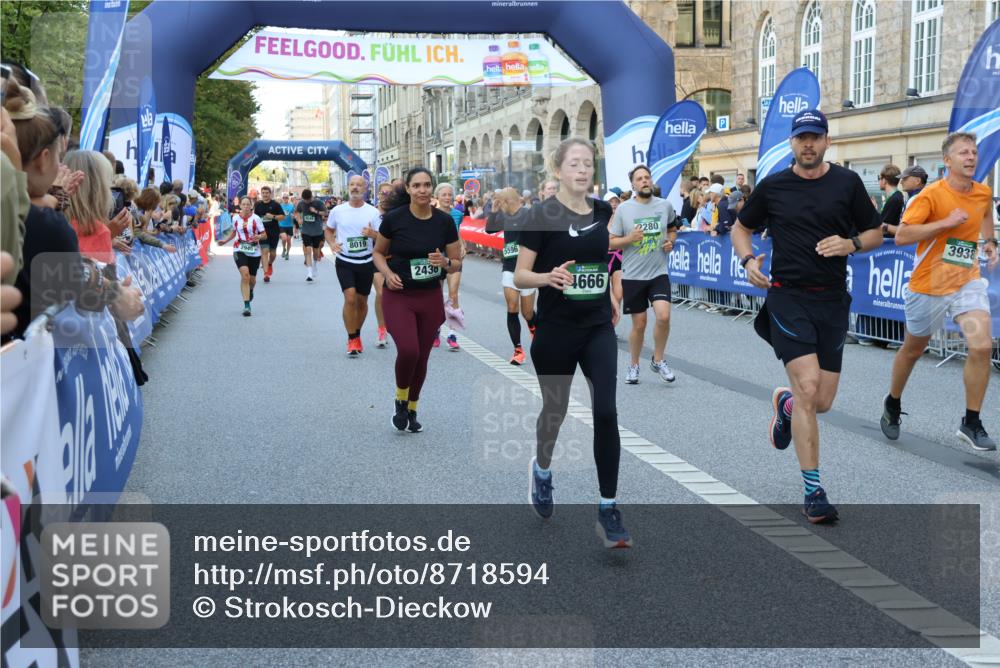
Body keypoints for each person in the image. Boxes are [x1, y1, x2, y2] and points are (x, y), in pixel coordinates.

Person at [732, 109, 882, 524]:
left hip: (831, 301)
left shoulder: (848, 183)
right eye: (802, 138)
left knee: (821, 402)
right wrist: (747, 260)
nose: (809, 144)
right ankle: (814, 491)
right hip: (788, 297)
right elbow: (741, 228)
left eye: (816, 137)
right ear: (792, 143)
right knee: (809, 385)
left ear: (827, 141)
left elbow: (875, 232)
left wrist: (850, 244)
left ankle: (787, 407)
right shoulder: (774, 186)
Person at [513, 137, 629, 549]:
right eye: (574, 163)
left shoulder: (602, 211)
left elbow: (604, 256)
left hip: (597, 326)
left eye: (587, 164)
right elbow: (520, 275)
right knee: (556, 410)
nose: (582, 170)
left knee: (606, 411)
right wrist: (548, 278)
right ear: (558, 170)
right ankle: (542, 470)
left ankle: (608, 508)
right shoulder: (540, 215)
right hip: (557, 329)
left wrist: (611, 290)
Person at [881, 132, 998, 451]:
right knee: (913, 350)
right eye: (963, 152)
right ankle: (893, 402)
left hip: (966, 280)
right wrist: (945, 223)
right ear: (947, 160)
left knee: (981, 346)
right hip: (929, 285)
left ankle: (971, 421)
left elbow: (985, 213)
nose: (971, 157)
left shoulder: (983, 192)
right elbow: (903, 237)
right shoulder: (930, 196)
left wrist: (990, 242)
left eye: (974, 152)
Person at [373, 168, 462, 433]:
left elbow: (456, 262)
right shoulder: (394, 219)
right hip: (399, 294)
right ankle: (400, 399)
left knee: (422, 357)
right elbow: (378, 253)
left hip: (429, 296)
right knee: (409, 350)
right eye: (417, 185)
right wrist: (387, 274)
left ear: (432, 188)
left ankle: (412, 408)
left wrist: (445, 262)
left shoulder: (444, 222)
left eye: (426, 185)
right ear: (409, 189)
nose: (422, 190)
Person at [609, 164, 680, 384]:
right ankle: (634, 365)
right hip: (633, 275)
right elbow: (611, 243)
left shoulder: (664, 205)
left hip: (658, 272)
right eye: (639, 179)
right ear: (633, 185)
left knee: (663, 316)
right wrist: (629, 239)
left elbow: (672, 230)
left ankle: (658, 360)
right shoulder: (624, 209)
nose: (644, 181)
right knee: (639, 324)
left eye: (647, 177)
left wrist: (670, 242)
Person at [326, 176, 381, 355]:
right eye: (352, 184)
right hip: (345, 260)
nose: (355, 187)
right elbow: (328, 230)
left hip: (366, 261)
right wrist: (332, 243)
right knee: (350, 298)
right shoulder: (338, 210)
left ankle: (357, 332)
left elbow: (383, 237)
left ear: (365, 188)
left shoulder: (373, 212)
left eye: (359, 185)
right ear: (348, 187)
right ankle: (352, 338)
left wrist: (372, 234)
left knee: (362, 301)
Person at [485, 187, 536, 364]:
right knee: (512, 307)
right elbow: (489, 230)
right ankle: (518, 350)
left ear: (507, 201)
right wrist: (493, 211)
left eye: (499, 202)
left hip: (528, 268)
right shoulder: (503, 216)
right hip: (509, 266)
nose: (498, 205)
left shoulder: (529, 214)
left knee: (527, 313)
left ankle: (534, 328)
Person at [216, 196, 265, 316]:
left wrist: (259, 236)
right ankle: (247, 305)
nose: (246, 206)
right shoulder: (235, 218)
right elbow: (234, 232)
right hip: (239, 248)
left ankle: (250, 290)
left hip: (254, 251)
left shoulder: (256, 218)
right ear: (240, 206)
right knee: (245, 275)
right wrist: (225, 241)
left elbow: (264, 234)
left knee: (252, 280)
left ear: (251, 206)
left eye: (248, 204)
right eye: (244, 204)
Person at [434, 182, 466, 351]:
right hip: (437, 257)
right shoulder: (431, 214)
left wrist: (462, 245)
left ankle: (453, 335)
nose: (447, 198)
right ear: (437, 197)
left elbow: (457, 232)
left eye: (449, 195)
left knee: (453, 295)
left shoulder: (457, 214)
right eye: (444, 195)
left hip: (453, 257)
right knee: (437, 296)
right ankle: (436, 329)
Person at [373, 181, 395, 348]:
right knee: (381, 292)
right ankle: (382, 328)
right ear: (378, 195)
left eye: (390, 194)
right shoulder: (371, 213)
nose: (386, 197)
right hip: (378, 258)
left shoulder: (399, 213)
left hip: (396, 258)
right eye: (383, 193)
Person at [296, 189, 328, 283]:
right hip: (306, 231)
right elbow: (297, 212)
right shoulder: (301, 203)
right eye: (305, 200)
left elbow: (325, 213)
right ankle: (309, 273)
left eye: (308, 200)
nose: (306, 202)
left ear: (311, 197)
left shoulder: (318, 202)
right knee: (308, 250)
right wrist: (299, 219)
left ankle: (315, 264)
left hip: (317, 231)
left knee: (316, 251)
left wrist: (316, 211)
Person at [254, 186, 285, 282]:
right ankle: (266, 274)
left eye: (267, 193)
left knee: (273, 253)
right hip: (262, 232)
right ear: (261, 194)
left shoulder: (275, 204)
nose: (265, 195)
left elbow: (282, 217)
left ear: (270, 194)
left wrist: (273, 216)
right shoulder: (258, 205)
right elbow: (255, 218)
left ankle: (270, 263)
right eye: (263, 193)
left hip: (274, 232)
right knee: (264, 251)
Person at [279, 192, 295, 260]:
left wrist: (293, 216)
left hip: (290, 225)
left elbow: (295, 214)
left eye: (286, 197)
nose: (285, 199)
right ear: (282, 198)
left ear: (288, 198)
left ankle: (287, 253)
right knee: (284, 238)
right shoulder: (280, 206)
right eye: (284, 197)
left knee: (288, 240)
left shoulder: (291, 206)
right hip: (281, 225)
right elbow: (277, 214)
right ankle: (283, 248)